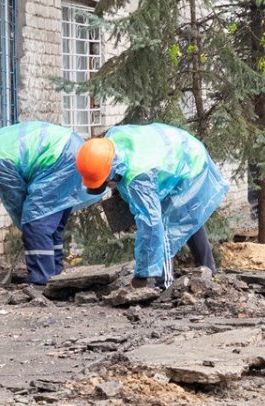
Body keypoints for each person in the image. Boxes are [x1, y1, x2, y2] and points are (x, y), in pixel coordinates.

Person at [0, 121, 101, 285]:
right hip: (73, 151)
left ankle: (41, 282)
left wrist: (25, 227)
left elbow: (15, 198)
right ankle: (56, 275)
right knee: (50, 223)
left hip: (60, 159)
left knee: (36, 222)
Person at [75, 123, 228, 289]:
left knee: (167, 224)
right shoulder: (109, 145)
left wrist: (141, 275)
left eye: (104, 182)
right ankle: (208, 270)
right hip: (179, 151)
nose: (106, 185)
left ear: (110, 170)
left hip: (189, 164)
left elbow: (151, 226)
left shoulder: (139, 178)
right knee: (187, 216)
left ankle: (165, 286)